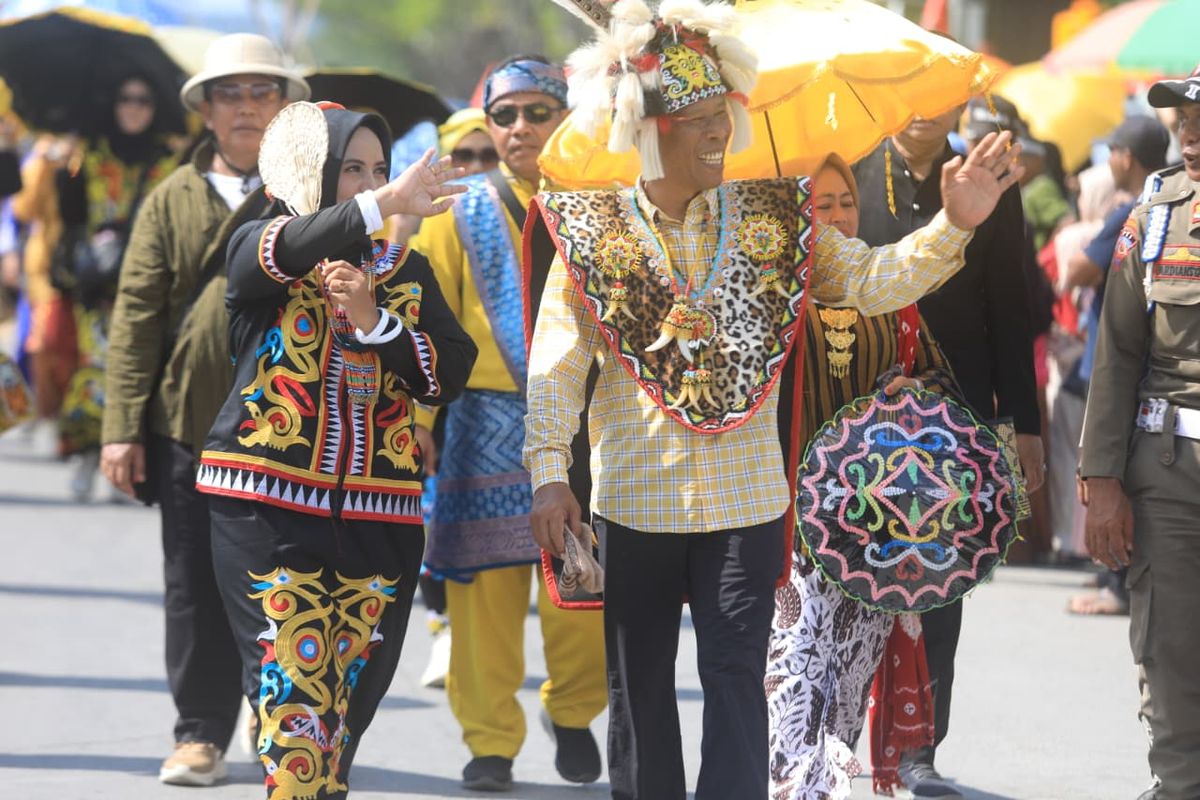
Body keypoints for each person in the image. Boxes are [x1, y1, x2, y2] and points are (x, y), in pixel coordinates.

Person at [523, 2, 1022, 797]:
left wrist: (953, 228)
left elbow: (868, 283)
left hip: (748, 499)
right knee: (640, 691)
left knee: (735, 680)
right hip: (634, 498)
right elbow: (557, 363)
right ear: (650, 126)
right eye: (699, 119)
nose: (721, 131)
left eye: (724, 114)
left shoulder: (777, 217)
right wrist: (550, 472)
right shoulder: (591, 228)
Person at [199, 102, 476, 799]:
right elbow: (282, 251)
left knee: (342, 724)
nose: (371, 183)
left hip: (381, 524)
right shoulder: (262, 248)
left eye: (379, 170)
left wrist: (375, 321)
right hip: (265, 510)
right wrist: (383, 204)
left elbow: (448, 373)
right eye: (352, 169)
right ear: (312, 173)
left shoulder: (404, 273)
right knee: (296, 715)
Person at [99, 33, 309, 787]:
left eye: (263, 92)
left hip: (290, 428)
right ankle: (199, 734)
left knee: (288, 584)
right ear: (207, 112)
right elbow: (137, 316)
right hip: (187, 424)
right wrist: (122, 428)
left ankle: (285, 724)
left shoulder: (314, 196)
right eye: (231, 94)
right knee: (192, 585)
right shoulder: (170, 198)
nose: (248, 106)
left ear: (288, 109)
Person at [409, 56, 607, 793]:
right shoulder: (461, 211)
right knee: (483, 593)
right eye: (506, 115)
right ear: (487, 124)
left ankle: (577, 711)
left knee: (582, 585)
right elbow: (427, 321)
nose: (520, 127)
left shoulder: (604, 201)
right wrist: (423, 416)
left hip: (586, 418)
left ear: (567, 115)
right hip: (483, 418)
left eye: (537, 110)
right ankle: (490, 740)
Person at [852, 104, 1043, 800]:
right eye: (907, 97)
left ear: (960, 105)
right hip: (854, 408)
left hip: (952, 413)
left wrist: (1023, 423)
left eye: (937, 99)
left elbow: (1010, 305)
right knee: (852, 579)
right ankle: (843, 732)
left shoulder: (990, 175)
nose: (921, 112)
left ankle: (919, 743)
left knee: (937, 582)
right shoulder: (849, 170)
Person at [765, 156, 958, 800]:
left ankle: (829, 791)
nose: (840, 215)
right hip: (788, 522)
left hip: (872, 531)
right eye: (821, 205)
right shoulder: (773, 298)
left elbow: (941, 383)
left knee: (848, 689)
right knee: (794, 678)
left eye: (846, 200)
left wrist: (914, 390)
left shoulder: (889, 297)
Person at [1080, 66, 1200, 800]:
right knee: (1170, 652)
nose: (1189, 132)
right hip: (1170, 468)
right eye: (1182, 120)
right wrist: (1101, 481)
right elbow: (1117, 352)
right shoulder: (1153, 216)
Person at [54, 74, 178, 500]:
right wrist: (63, 170)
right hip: (96, 281)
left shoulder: (169, 161)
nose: (134, 107)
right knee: (97, 365)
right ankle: (90, 454)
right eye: (125, 98)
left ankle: (123, 463)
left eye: (143, 100)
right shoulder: (89, 154)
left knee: (137, 369)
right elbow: (68, 215)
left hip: (146, 280)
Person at [1064, 115, 1169, 617]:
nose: (1109, 160)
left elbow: (1079, 269)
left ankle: (1117, 583)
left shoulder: (1140, 210)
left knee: (1110, 472)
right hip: (1137, 368)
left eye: (1113, 151)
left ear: (1125, 156)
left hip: (1121, 367)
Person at [409, 105, 493, 692]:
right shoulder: (415, 223)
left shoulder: (522, 213)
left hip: (495, 395)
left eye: (489, 156)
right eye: (466, 156)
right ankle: (443, 630)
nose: (479, 167)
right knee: (435, 526)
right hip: (439, 398)